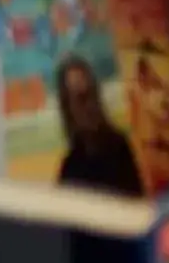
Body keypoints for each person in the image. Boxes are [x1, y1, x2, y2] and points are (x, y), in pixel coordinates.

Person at [52, 53, 143, 195]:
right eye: (78, 98)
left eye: (88, 94)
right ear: (67, 106)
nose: (86, 107)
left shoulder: (119, 147)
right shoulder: (71, 168)